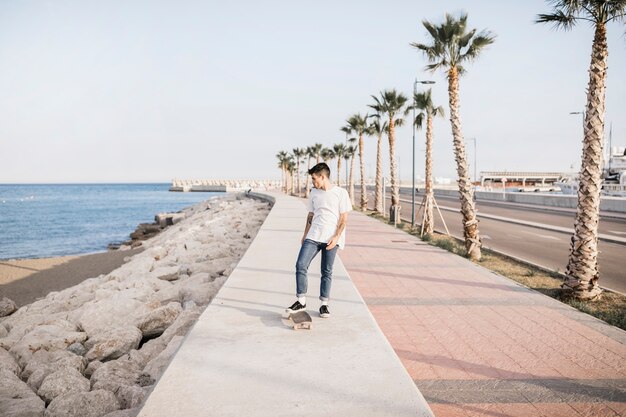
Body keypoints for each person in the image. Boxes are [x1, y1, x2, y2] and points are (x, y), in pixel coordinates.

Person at [285, 162, 352, 318]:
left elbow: (343, 218)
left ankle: (324, 305)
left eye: (315, 179)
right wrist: (305, 234)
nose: (313, 182)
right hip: (313, 236)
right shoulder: (314, 192)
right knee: (301, 264)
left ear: (323, 177)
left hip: (331, 239)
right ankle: (301, 301)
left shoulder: (341, 193)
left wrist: (336, 237)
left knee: (326, 271)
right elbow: (310, 215)